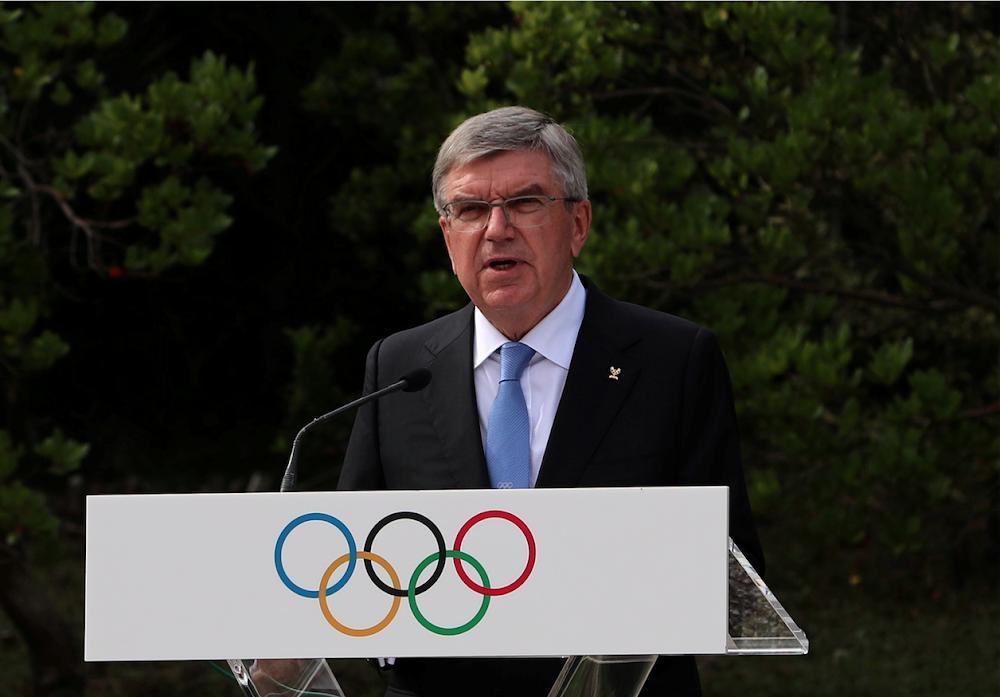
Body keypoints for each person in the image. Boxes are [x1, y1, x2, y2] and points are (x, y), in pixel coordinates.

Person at [339, 106, 764, 697]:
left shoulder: (673, 360)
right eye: (470, 209)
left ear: (578, 224)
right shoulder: (399, 366)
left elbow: (731, 570)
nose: (496, 229)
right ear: (447, 236)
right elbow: (355, 561)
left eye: (524, 203)